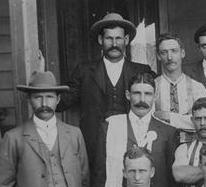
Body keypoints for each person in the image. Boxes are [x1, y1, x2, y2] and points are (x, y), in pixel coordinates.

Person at [58, 12, 153, 166]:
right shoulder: (84, 71)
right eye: (109, 38)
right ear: (100, 40)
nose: (114, 43)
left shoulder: (141, 71)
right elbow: (62, 102)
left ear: (126, 40)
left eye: (118, 38)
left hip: (131, 145)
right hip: (95, 148)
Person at [94, 71, 180, 187]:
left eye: (148, 94)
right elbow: (100, 174)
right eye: (137, 93)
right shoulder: (110, 127)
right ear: (128, 95)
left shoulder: (168, 132)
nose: (142, 100)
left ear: (155, 97)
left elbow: (171, 179)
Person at [152, 33, 206, 131]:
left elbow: (203, 122)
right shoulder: (152, 87)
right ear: (158, 56)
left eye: (174, 51)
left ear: (182, 53)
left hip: (191, 144)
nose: (169, 57)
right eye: (164, 52)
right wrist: (187, 120)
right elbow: (149, 122)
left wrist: (168, 117)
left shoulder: (197, 87)